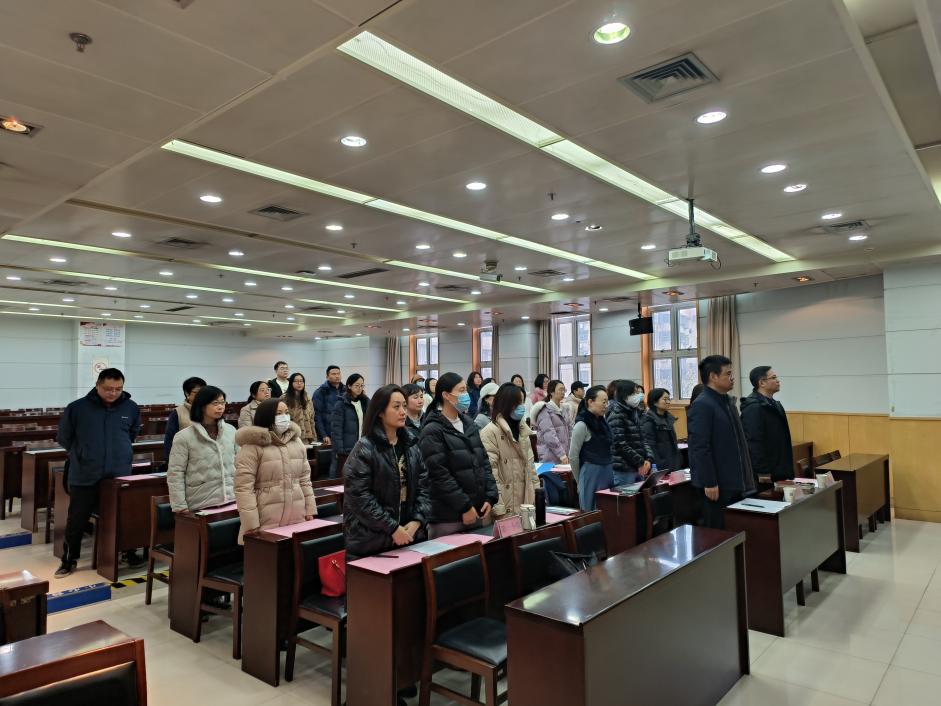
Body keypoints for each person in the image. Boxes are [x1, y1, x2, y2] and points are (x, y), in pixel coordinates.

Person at [55, 368, 141, 578]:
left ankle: (127, 552)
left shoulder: (131, 407)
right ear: (97, 385)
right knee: (77, 519)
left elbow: (132, 434)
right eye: (108, 389)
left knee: (123, 516)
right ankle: (69, 559)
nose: (113, 393)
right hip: (85, 473)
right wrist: (83, 453)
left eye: (118, 389)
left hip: (118, 474)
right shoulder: (77, 408)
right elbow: (64, 437)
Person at [343, 384, 431, 560]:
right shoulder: (365, 448)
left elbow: (424, 487)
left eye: (404, 406)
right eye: (396, 407)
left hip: (409, 535)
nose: (403, 412)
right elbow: (359, 497)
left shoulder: (411, 445)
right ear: (380, 412)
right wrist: (392, 528)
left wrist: (417, 521)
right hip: (372, 540)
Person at [419, 372, 498, 538]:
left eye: (466, 390)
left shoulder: (469, 424)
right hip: (448, 516)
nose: (466, 395)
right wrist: (464, 506)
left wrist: (490, 497)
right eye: (461, 391)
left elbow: (484, 462)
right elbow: (439, 475)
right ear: (446, 395)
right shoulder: (432, 430)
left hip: (478, 510)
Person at [234, 398, 316, 543]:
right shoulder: (252, 446)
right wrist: (251, 523)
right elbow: (244, 488)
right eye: (278, 413)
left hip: (297, 514)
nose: (284, 417)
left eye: (286, 412)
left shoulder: (296, 442)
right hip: (265, 518)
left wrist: (310, 509)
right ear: (266, 416)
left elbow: (304, 479)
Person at [688, 355, 756, 529]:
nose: (732, 378)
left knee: (736, 529)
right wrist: (709, 481)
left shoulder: (727, 401)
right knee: (718, 532)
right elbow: (700, 447)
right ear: (713, 376)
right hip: (717, 484)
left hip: (734, 480)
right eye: (728, 374)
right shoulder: (702, 404)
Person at [167, 385, 238, 513]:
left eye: (223, 402)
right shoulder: (184, 437)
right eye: (215, 403)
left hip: (233, 501)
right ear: (202, 405)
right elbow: (175, 474)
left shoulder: (231, 431)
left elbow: (241, 464)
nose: (220, 407)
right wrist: (180, 507)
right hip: (201, 505)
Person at [480, 383, 538, 519]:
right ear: (506, 404)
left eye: (522, 402)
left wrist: (536, 497)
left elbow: (531, 469)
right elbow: (491, 473)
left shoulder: (523, 431)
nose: (521, 407)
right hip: (505, 506)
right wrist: (498, 507)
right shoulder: (490, 432)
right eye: (517, 403)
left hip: (526, 504)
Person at [740, 366, 794, 482]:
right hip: (765, 473)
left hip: (780, 469)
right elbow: (754, 443)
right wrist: (763, 472)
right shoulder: (753, 407)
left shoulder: (775, 404)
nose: (778, 380)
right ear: (762, 383)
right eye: (773, 378)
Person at [568, 385, 614, 511]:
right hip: (590, 472)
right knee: (590, 511)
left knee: (606, 510)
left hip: (607, 470)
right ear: (590, 402)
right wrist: (579, 481)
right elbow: (573, 456)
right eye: (603, 402)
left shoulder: (603, 422)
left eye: (607, 402)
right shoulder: (582, 425)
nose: (606, 405)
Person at [607, 380, 655, 486]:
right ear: (624, 395)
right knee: (626, 496)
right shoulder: (616, 414)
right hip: (624, 469)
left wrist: (648, 459)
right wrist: (640, 462)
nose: (638, 396)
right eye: (634, 393)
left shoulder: (635, 412)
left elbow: (643, 439)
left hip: (639, 466)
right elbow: (620, 444)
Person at [331, 373, 369, 476]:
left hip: (362, 446)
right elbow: (336, 429)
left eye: (362, 385)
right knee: (345, 476)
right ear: (349, 386)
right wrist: (340, 450)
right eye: (357, 385)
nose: (360, 388)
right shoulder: (341, 404)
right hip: (347, 448)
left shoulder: (365, 402)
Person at [163, 376, 206, 460]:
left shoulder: (210, 411)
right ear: (187, 393)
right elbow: (170, 440)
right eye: (197, 392)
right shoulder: (177, 413)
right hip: (187, 459)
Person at [531, 379, 571, 464]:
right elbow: (549, 435)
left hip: (565, 455)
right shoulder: (544, 410)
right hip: (550, 456)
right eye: (560, 389)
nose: (563, 392)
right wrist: (561, 454)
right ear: (552, 392)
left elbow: (571, 430)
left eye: (564, 390)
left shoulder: (564, 409)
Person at [641, 388, 681, 472]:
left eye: (669, 399)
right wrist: (658, 465)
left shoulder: (668, 418)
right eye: (665, 399)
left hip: (673, 461)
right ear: (654, 402)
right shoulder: (649, 420)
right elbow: (650, 446)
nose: (668, 402)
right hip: (660, 465)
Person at [312, 365, 344, 445]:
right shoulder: (320, 392)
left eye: (338, 373)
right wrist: (323, 435)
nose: (337, 376)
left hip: (343, 433)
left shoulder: (346, 391)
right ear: (327, 376)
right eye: (333, 374)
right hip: (328, 434)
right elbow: (317, 416)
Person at [283, 372, 316, 444]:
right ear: (291, 383)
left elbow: (312, 419)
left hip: (307, 438)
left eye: (301, 381)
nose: (299, 383)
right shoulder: (284, 399)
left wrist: (313, 436)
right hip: (292, 437)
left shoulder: (307, 398)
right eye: (296, 381)